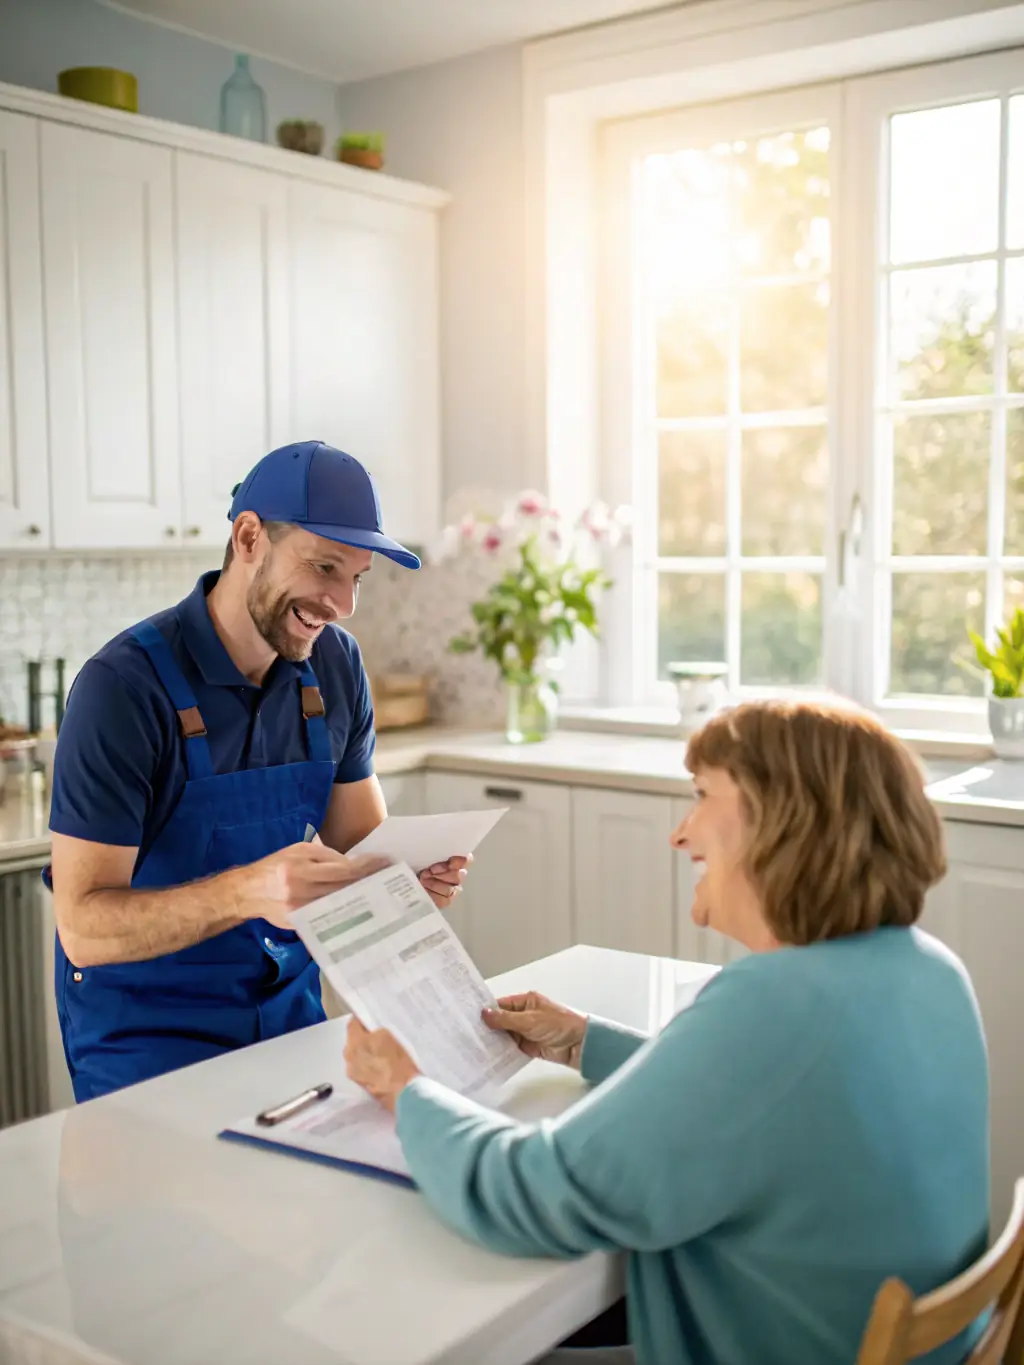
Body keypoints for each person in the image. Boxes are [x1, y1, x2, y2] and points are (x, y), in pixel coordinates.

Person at [344, 700, 990, 1365]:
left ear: (782, 820)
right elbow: (758, 1096)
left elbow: (533, 1197)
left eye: (702, 796)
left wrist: (408, 1090)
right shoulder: (928, 969)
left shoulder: (772, 1005)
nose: (679, 835)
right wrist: (582, 1040)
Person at [48, 439, 469, 1102]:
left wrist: (402, 881)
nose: (342, 603)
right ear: (249, 538)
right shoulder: (122, 688)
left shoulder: (336, 666)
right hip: (148, 1043)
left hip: (289, 1022)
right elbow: (83, 928)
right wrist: (248, 891)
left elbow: (361, 851)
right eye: (325, 567)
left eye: (357, 577)